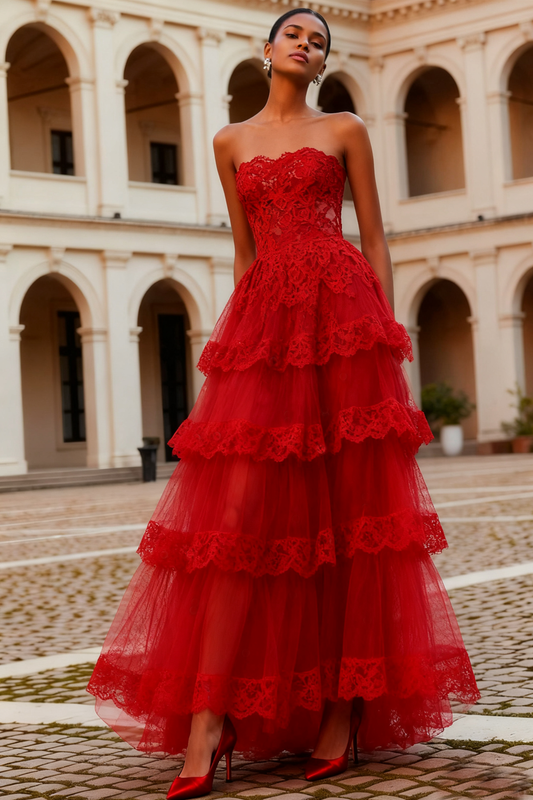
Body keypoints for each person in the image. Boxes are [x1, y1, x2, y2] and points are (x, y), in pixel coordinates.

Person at [87, 8, 480, 799]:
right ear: (266, 49)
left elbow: (374, 239)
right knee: (235, 523)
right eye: (295, 35)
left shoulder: (344, 129)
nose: (307, 45)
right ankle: (209, 720)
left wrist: (384, 339)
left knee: (349, 516)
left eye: (318, 41)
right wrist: (243, 350)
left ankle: (342, 708)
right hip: (266, 328)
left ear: (323, 62)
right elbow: (244, 253)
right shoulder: (228, 141)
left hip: (343, 321)